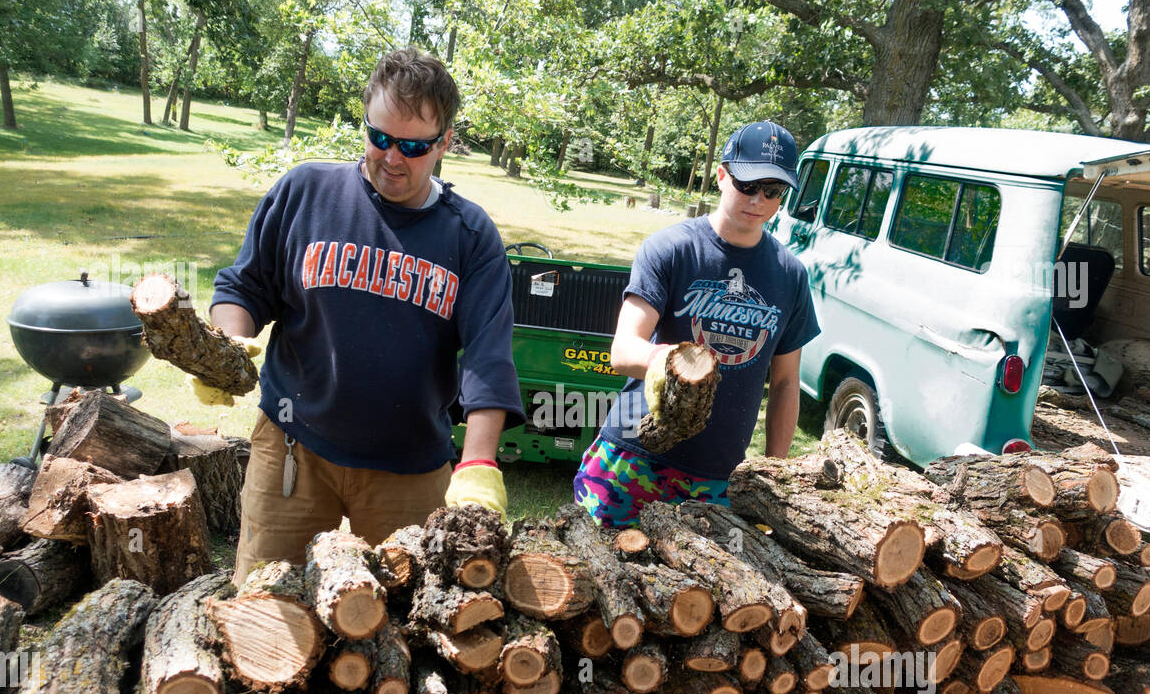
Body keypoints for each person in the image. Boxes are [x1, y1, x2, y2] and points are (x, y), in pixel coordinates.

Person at [205, 47, 524, 586]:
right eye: (379, 137)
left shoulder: (469, 235)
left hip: (412, 466)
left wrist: (476, 464)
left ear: (445, 142)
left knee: (410, 623)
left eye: (414, 146)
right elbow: (243, 288)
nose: (392, 158)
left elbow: (488, 356)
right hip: (293, 448)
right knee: (265, 603)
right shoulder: (304, 192)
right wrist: (225, 349)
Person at [573, 120, 818, 527]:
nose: (758, 199)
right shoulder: (671, 249)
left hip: (718, 477)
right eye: (747, 184)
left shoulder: (790, 275)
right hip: (635, 457)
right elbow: (623, 351)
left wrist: (776, 474)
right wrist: (671, 359)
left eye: (773, 190)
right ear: (722, 176)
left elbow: (786, 382)